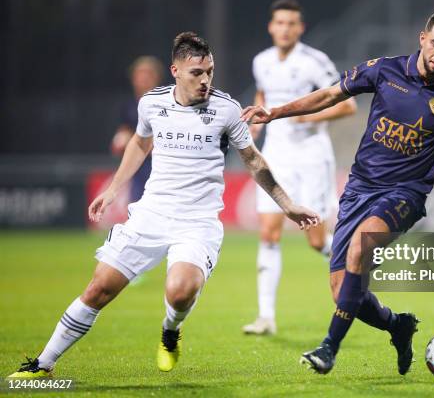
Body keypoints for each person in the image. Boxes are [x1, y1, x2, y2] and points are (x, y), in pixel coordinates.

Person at [8, 32, 319, 379]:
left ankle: (171, 329)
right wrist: (113, 189)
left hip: (197, 222)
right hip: (151, 214)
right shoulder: (151, 103)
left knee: (180, 291)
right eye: (196, 73)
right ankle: (43, 364)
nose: (205, 80)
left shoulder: (226, 109)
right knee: (98, 289)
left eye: (209, 72)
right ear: (175, 70)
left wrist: (287, 205)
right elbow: (140, 144)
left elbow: (254, 160)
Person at [241, 11, 434, 375]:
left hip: (405, 194)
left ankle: (328, 348)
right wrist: (275, 112)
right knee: (343, 292)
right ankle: (398, 326)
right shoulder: (385, 70)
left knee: (361, 247)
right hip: (359, 190)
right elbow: (330, 95)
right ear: (422, 38)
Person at [242, 0, 357, 336]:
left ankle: (356, 266)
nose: (285, 28)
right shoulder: (261, 61)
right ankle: (266, 317)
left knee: (316, 239)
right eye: (280, 22)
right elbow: (264, 94)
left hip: (311, 157)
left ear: (300, 28)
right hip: (275, 155)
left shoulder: (314, 61)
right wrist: (258, 122)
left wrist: (309, 115)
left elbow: (347, 106)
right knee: (268, 233)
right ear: (271, 26)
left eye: (291, 23)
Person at [111, 56, 164, 202]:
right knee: (137, 207)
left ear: (156, 77)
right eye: (139, 74)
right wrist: (120, 141)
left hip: (161, 166)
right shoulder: (128, 107)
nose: (143, 79)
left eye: (147, 74)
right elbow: (123, 132)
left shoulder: (166, 103)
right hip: (137, 167)